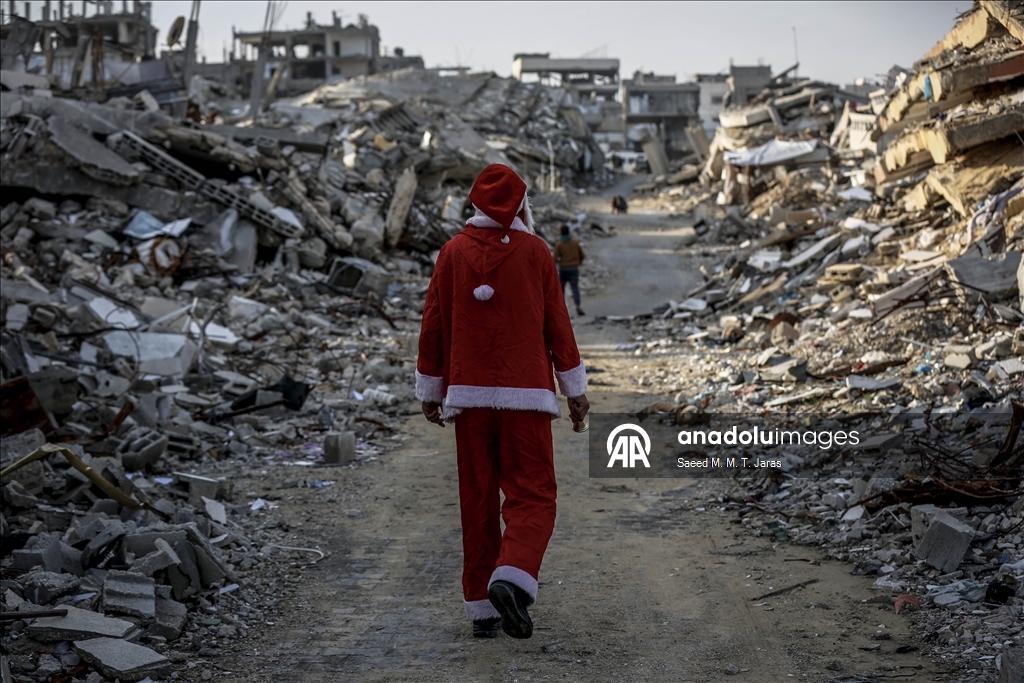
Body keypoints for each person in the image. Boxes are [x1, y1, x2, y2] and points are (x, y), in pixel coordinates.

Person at [416, 164, 590, 640]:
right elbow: (558, 324)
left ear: (474, 206)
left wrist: (431, 390)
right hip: (527, 397)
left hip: (468, 400)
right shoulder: (535, 253)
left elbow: (432, 325)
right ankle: (510, 576)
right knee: (533, 495)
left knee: (476, 499)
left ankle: (482, 610)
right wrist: (575, 392)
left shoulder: (450, 253)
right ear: (522, 207)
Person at [553, 225, 586, 316]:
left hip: (564, 269)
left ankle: (561, 308)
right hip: (574, 268)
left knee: (561, 289)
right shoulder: (574, 243)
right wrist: (578, 262)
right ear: (569, 232)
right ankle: (578, 306)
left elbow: (554, 259)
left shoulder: (559, 244)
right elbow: (582, 254)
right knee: (575, 288)